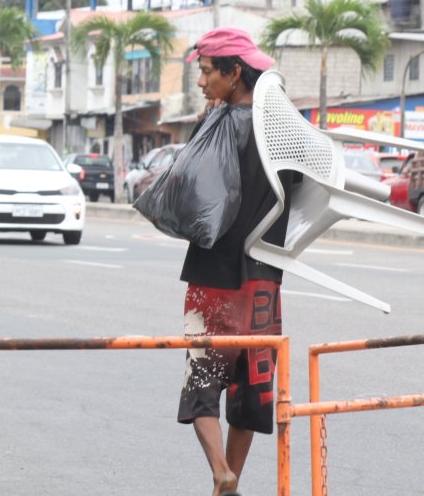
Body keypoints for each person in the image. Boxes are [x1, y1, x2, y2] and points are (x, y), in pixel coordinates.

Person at [177, 27, 296, 496]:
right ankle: (231, 482)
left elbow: (187, 193)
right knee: (249, 390)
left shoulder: (215, 126)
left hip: (213, 278)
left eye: (208, 72)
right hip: (264, 280)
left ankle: (221, 474)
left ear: (234, 73)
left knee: (202, 381)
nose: (202, 83)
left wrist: (205, 125)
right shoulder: (282, 128)